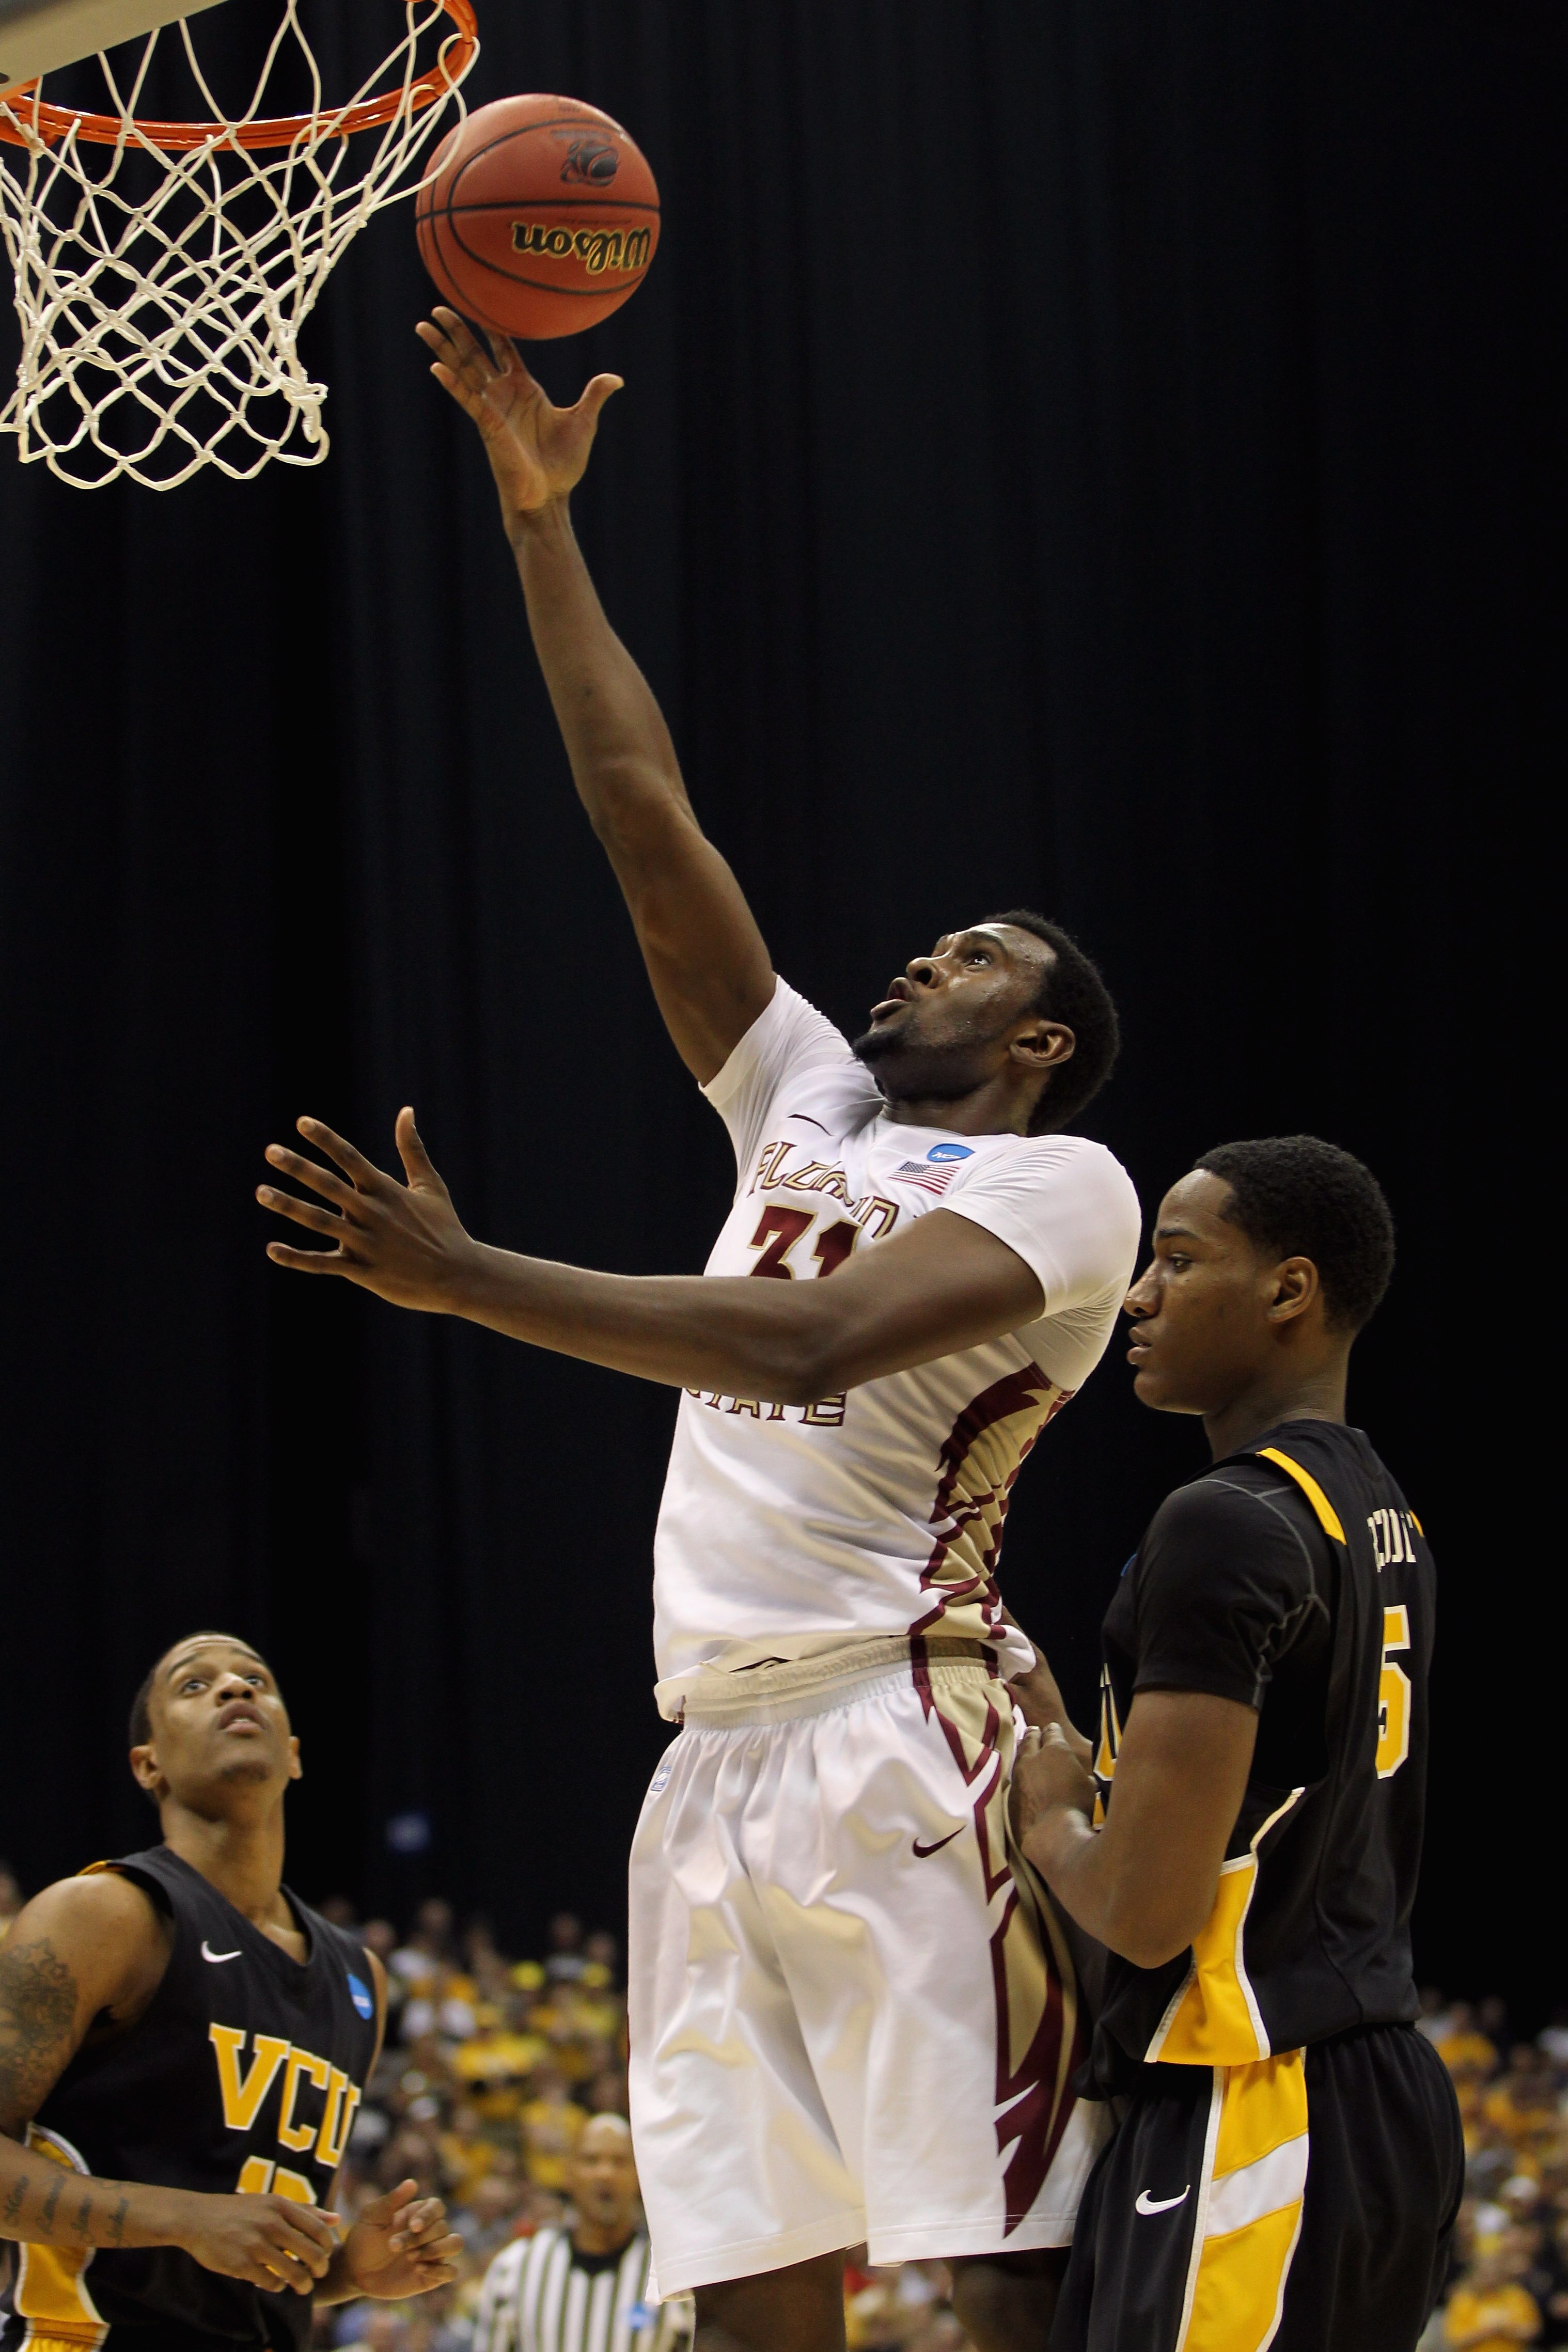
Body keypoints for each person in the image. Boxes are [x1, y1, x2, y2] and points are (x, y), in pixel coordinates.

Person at [256, 311, 1145, 2352]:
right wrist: (536, 517)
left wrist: (465, 1276)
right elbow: (642, 807)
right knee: (743, 2275)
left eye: (974, 955)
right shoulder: (814, 1098)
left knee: (996, 2249)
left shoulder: (1061, 1195)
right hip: (708, 1754)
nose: (920, 953)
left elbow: (813, 1349)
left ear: (1041, 1041)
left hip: (905, 1732)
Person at [1011, 1137, 1464, 2351]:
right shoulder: (1377, 1511)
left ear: (1288, 1289)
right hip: (1363, 2084)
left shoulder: (1219, 1519)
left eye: (1175, 1257)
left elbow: (1149, 1910)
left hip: (1252, 2086)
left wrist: (1048, 1817)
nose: (1137, 1293)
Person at [0, 1632, 463, 2348]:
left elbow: (258, 2257)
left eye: (256, 1679)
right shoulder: (104, 1914)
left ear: (296, 1753)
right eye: (194, 1684)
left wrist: (349, 2272)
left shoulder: (358, 1975)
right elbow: (204, 2228)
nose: (236, 1688)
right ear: (147, 1763)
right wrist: (188, 2217)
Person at [474, 2113, 670, 2352]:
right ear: (569, 2173)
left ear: (640, 2175)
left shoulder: (669, 2273)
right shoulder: (515, 2267)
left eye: (620, 2162)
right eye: (591, 2161)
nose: (605, 2173)